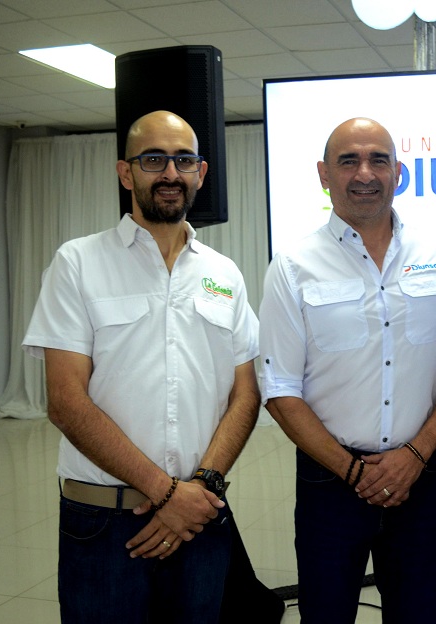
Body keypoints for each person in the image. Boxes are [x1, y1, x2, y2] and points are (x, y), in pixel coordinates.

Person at [22, 110, 261, 623]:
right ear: (126, 173)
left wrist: (198, 490)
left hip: (201, 517)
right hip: (106, 524)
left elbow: (245, 394)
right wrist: (165, 492)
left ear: (201, 173)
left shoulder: (225, 274)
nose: (170, 173)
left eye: (183, 160)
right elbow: (65, 402)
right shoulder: (77, 263)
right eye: (154, 159)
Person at [258, 117, 436, 624]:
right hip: (329, 483)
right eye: (348, 160)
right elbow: (281, 389)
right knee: (326, 614)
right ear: (323, 174)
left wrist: (414, 456)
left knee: (418, 614)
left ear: (397, 171)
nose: (365, 173)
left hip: (417, 477)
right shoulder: (292, 266)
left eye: (379, 159)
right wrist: (351, 470)